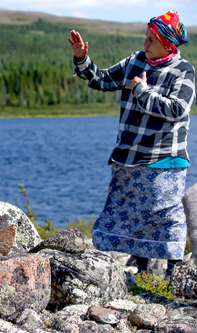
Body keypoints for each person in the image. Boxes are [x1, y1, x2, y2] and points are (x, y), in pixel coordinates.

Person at [68, 10, 196, 281]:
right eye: (146, 37)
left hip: (165, 161)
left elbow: (178, 109)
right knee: (127, 217)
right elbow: (100, 79)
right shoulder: (135, 61)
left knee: (166, 218)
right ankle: (137, 274)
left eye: (151, 39)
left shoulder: (183, 71)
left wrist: (141, 91)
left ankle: (174, 278)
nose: (145, 44)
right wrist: (82, 58)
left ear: (168, 43)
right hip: (127, 158)